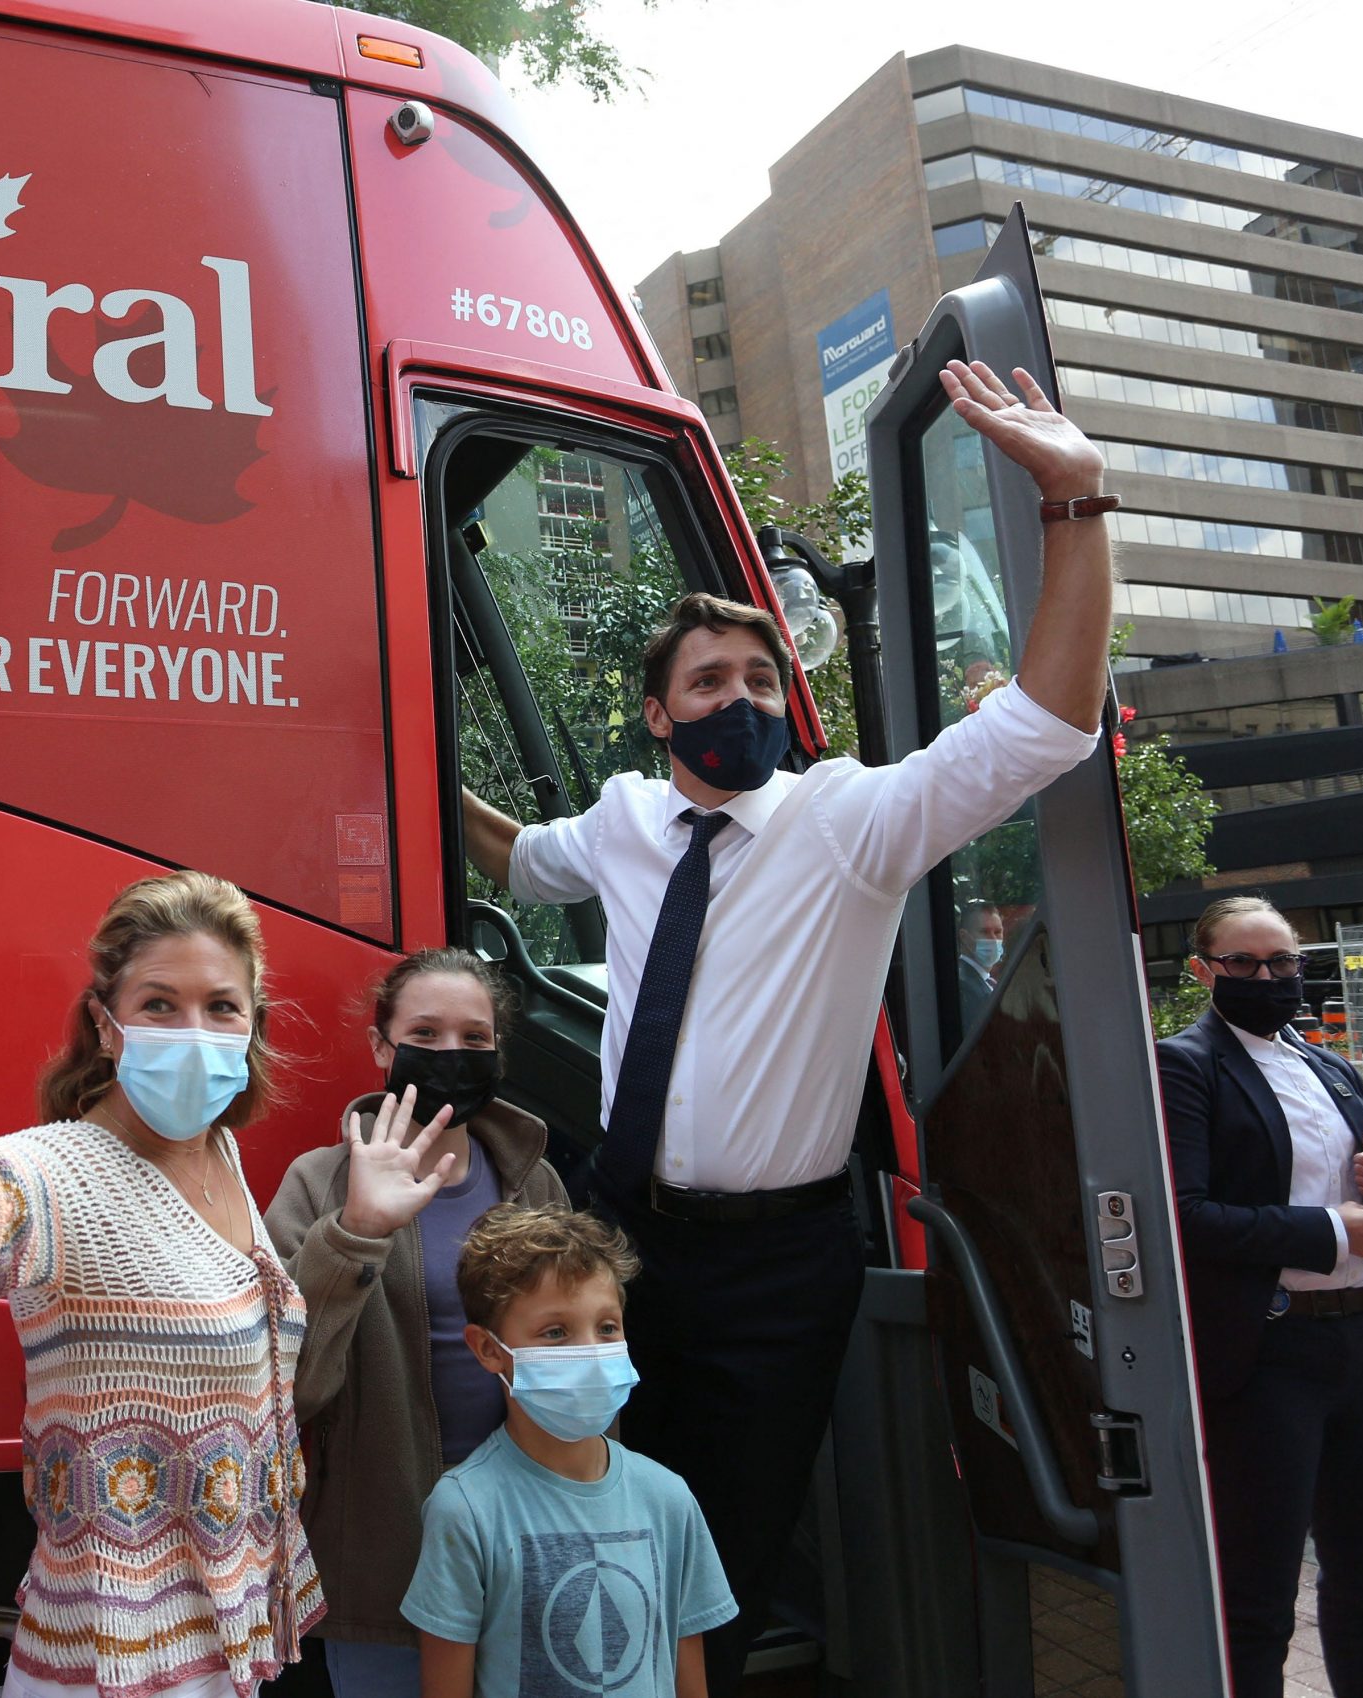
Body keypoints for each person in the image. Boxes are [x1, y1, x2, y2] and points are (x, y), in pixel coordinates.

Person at [456, 360, 1114, 1695]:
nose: (740, 698)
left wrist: (1076, 504)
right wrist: (398, 743)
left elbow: (1047, 726)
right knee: (584, 1521)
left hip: (778, 1265)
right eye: (707, 680)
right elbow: (522, 859)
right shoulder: (631, 817)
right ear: (658, 713)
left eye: (761, 675)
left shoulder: (852, 818)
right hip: (616, 1239)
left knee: (729, 1549)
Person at [0, 730, 320, 1697]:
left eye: (222, 1008)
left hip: (230, 1651)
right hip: (113, 1669)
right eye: (159, 1003)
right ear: (107, 1023)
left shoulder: (221, 1157)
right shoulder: (61, 1175)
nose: (194, 1033)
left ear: (254, 1023)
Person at [264, 949, 570, 1695]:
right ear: (381, 1047)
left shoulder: (537, 1182)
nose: (451, 1056)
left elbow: (577, 1358)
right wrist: (356, 1229)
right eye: (425, 1036)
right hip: (390, 1561)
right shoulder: (317, 1183)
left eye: (475, 1038)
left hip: (531, 1548)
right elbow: (283, 1385)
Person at [1158, 894, 1363, 1698]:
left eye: (1283, 961)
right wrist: (1329, 1232)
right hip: (1270, 1354)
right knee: (1257, 1600)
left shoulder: (1330, 1064)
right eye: (1245, 963)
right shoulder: (1184, 1063)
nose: (1270, 977)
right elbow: (1187, 1217)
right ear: (1205, 970)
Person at [403, 1203, 733, 1698]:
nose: (589, 1353)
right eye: (555, 1333)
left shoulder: (669, 1499)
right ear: (489, 1349)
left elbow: (689, 1675)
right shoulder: (465, 1510)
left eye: (607, 1328)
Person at [957, 899, 1004, 1013]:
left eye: (997, 932)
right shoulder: (964, 986)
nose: (993, 939)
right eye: (985, 932)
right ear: (964, 937)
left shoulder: (985, 982)